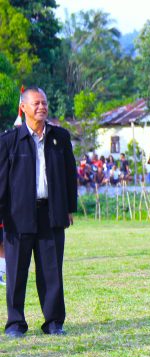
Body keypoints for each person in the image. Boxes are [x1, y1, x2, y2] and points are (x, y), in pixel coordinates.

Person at [0, 87, 77, 337]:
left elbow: (69, 176)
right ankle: (15, 324)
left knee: (51, 271)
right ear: (23, 107)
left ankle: (54, 322)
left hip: (51, 213)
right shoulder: (10, 141)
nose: (41, 107)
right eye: (36, 103)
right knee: (16, 272)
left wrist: (69, 208)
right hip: (17, 216)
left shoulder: (60, 138)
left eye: (44, 103)